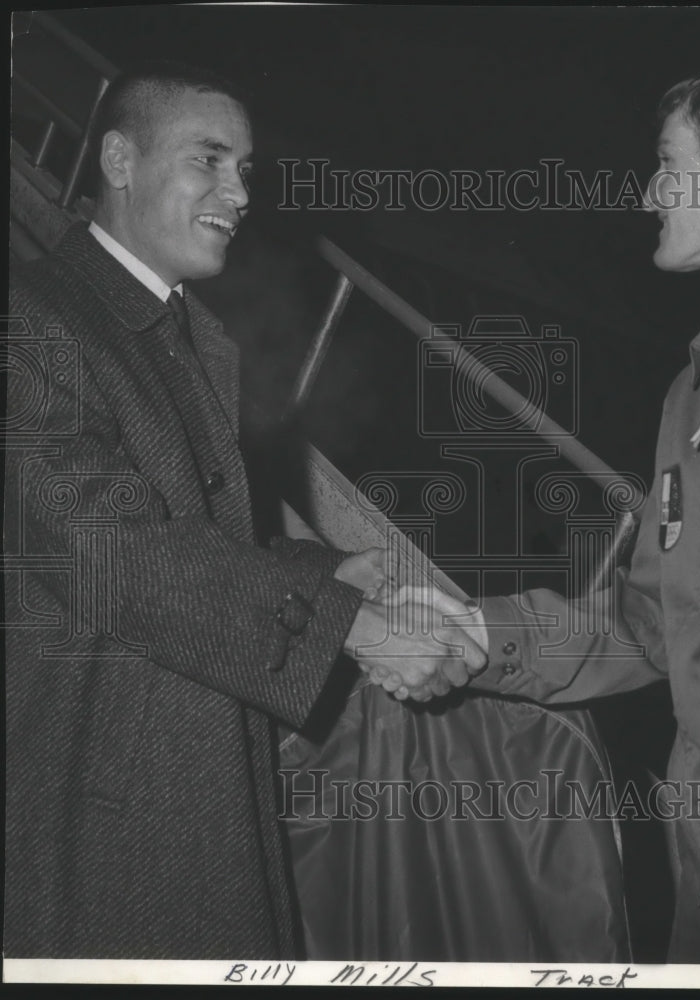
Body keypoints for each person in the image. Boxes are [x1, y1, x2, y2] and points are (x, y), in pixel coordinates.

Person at [5, 61, 484, 960]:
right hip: (100, 823)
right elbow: (114, 554)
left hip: (174, 788)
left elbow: (193, 534)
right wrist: (355, 630)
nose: (238, 191)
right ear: (118, 158)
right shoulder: (31, 320)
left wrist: (331, 576)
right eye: (210, 160)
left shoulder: (179, 330)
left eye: (247, 169)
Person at [389, 66, 700, 963]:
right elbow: (648, 624)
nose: (647, 193)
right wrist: (483, 635)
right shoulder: (692, 393)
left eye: (668, 164)